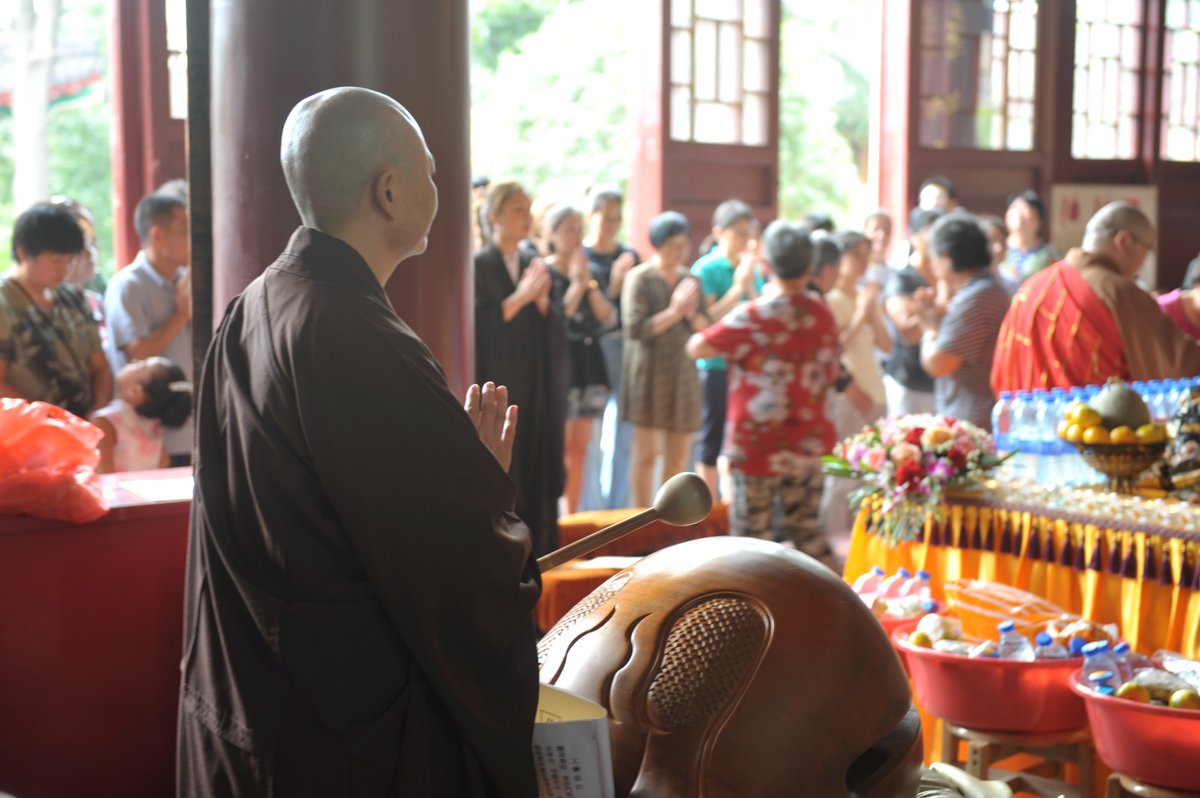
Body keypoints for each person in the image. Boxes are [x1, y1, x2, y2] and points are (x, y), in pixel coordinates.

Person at [178, 87, 542, 796]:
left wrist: (460, 472)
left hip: (254, 696)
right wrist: (485, 479)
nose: (441, 189)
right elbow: (451, 563)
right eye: (432, 174)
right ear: (390, 190)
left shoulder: (256, 305)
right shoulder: (356, 337)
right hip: (336, 729)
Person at [685, 220, 840, 569]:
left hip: (757, 445)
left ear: (766, 264)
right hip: (809, 442)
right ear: (809, 266)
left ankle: (754, 615)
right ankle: (840, 607)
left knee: (751, 544)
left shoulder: (753, 316)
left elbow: (697, 347)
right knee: (808, 533)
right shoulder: (822, 314)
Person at [992, 201, 1200, 393]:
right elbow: (1183, 363)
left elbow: (1002, 373)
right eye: (1147, 250)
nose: (1144, 261)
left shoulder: (1031, 288)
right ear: (1124, 241)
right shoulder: (1119, 293)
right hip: (1092, 428)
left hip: (1026, 424)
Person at [474, 179, 566, 557]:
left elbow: (556, 326)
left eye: (529, 209)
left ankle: (544, 552)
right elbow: (480, 327)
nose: (526, 217)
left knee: (538, 461)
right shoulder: (480, 264)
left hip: (536, 384)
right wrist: (522, 297)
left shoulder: (535, 262)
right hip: (500, 381)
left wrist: (542, 303)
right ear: (494, 216)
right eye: (517, 209)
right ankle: (506, 554)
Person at [622, 211, 709, 508]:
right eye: (673, 245)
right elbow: (635, 329)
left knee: (678, 458)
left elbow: (706, 328)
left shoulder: (691, 279)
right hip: (648, 376)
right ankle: (639, 520)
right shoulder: (639, 278)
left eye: (683, 245)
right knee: (646, 456)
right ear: (658, 244)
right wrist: (674, 311)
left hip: (683, 375)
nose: (679, 252)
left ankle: (671, 523)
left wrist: (689, 313)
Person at [105, 190, 194, 466]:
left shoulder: (186, 280)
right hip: (147, 430)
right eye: (184, 230)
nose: (193, 238)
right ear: (157, 235)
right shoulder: (128, 285)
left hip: (190, 422)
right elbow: (137, 352)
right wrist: (180, 316)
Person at [0, 202, 110, 418]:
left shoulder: (73, 298)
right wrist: (49, 420)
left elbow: (100, 367)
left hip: (83, 425)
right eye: (57, 260)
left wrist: (96, 411)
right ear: (23, 253)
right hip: (28, 432)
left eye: (70, 260)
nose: (65, 269)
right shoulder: (5, 303)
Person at [541, 203, 614, 514]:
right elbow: (559, 317)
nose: (576, 236)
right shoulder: (542, 270)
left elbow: (608, 317)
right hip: (560, 364)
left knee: (581, 450)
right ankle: (554, 518)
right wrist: (575, 285)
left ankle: (573, 518)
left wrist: (588, 283)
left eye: (579, 229)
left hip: (589, 364)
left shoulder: (590, 271)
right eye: (569, 228)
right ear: (552, 233)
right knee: (559, 450)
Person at [690, 199, 763, 500]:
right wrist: (736, 288)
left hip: (746, 368)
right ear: (719, 233)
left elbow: (760, 311)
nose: (745, 240)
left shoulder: (750, 268)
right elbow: (708, 320)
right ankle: (707, 509)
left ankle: (733, 503)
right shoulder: (705, 268)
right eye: (739, 233)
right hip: (714, 367)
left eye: (749, 233)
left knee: (740, 443)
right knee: (712, 438)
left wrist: (747, 284)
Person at [819, 230, 890, 534]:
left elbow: (888, 346)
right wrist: (861, 312)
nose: (863, 261)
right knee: (841, 473)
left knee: (871, 471)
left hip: (876, 389)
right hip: (848, 394)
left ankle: (861, 538)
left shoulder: (866, 296)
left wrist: (871, 310)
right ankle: (832, 539)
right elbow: (835, 347)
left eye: (867, 253)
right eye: (856, 253)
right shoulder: (831, 299)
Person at [913, 213, 1011, 430]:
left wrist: (929, 327)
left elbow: (939, 363)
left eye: (933, 257)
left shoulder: (978, 296)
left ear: (946, 257)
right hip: (974, 416)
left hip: (974, 420)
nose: (932, 265)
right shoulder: (982, 289)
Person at [581, 183, 639, 510]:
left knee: (626, 430)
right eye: (606, 217)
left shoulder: (630, 255)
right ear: (592, 215)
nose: (612, 224)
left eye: (617, 217)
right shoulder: (582, 257)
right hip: (595, 350)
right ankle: (590, 508)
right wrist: (614, 285)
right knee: (592, 433)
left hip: (628, 347)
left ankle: (621, 506)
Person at [882, 208, 943, 416]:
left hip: (942, 381)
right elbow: (909, 333)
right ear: (914, 236)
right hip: (908, 381)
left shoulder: (947, 278)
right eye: (930, 233)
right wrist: (939, 310)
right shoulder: (902, 279)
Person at [92, 356, 191, 472]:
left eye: (141, 366)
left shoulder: (105, 421)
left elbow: (103, 473)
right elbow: (164, 462)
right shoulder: (153, 425)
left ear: (136, 391)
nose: (135, 361)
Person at [997, 190, 1061, 286]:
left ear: (1039, 219)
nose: (1019, 213)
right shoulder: (996, 248)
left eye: (1024, 208)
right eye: (1014, 208)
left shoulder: (1050, 253)